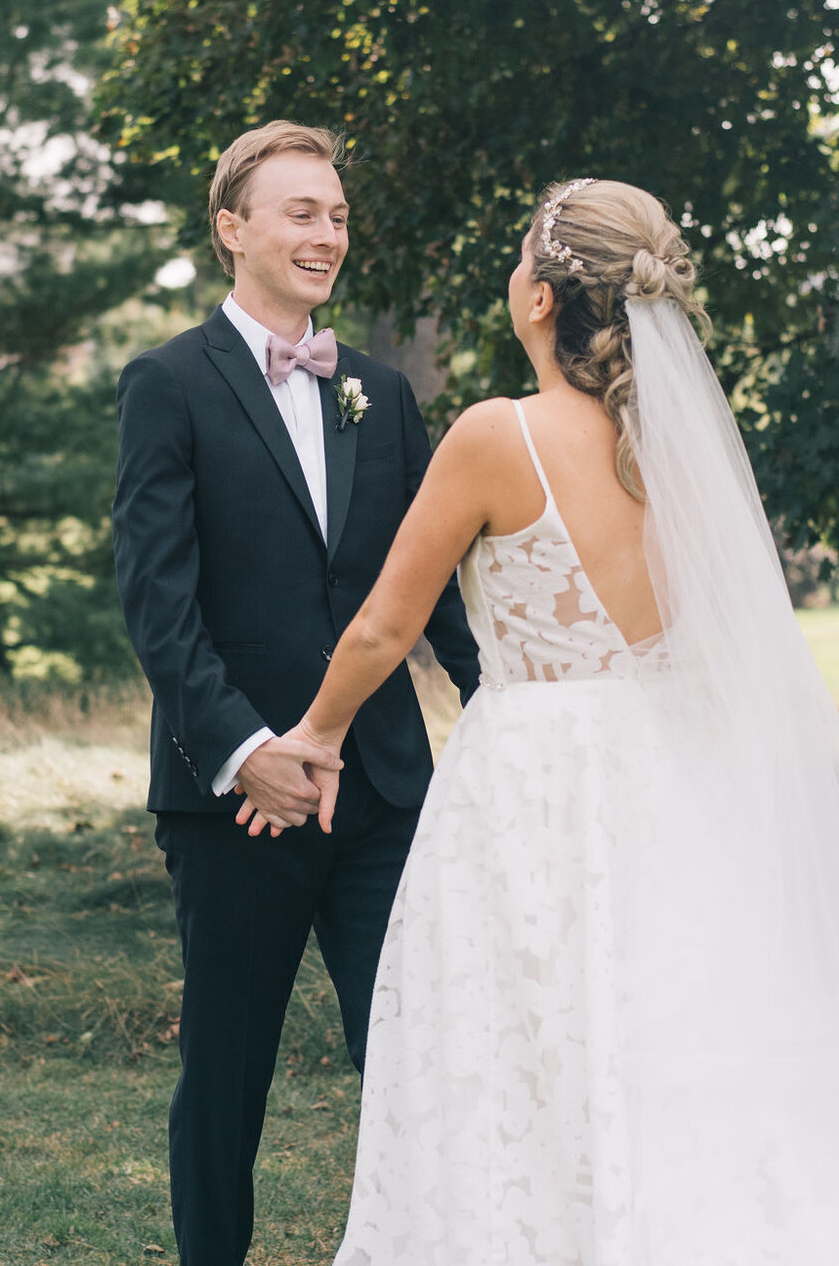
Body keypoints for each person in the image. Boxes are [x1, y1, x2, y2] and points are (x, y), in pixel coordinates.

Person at [241, 177, 839, 1263]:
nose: (511, 276)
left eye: (520, 259)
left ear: (540, 303)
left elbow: (383, 625)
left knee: (514, 1039)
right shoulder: (678, 455)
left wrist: (316, 735)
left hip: (527, 784)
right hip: (662, 771)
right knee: (656, 1035)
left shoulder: (495, 437)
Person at [111, 120, 480, 1266]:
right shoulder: (166, 383)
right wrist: (244, 751)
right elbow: (157, 605)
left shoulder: (383, 393)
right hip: (236, 802)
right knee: (226, 1077)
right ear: (233, 228)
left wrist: (508, 710)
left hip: (381, 794)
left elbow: (435, 595)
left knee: (419, 1065)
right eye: (301, 212)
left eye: (337, 214)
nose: (328, 233)